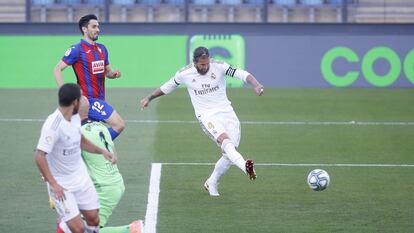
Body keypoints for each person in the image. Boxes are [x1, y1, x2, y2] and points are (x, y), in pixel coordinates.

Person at [140, 46, 264, 196]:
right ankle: (245, 167)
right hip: (207, 116)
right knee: (226, 142)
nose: (205, 67)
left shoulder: (219, 66)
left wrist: (256, 84)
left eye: (207, 64)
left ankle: (211, 182)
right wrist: (149, 98)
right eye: (201, 65)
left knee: (229, 152)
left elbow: (242, 74)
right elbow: (167, 86)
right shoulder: (184, 73)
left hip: (227, 112)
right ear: (194, 62)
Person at [35, 83, 117, 233]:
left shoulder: (74, 118)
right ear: (75, 102)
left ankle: (64, 226)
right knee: (78, 229)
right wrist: (53, 184)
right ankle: (62, 226)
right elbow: (39, 155)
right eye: (81, 97)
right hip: (62, 184)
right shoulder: (53, 125)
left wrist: (102, 151)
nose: (84, 100)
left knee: (94, 219)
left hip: (81, 178)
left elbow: (80, 141)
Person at [55, 96, 144, 233]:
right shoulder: (101, 127)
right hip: (113, 183)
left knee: (81, 230)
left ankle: (130, 230)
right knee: (68, 224)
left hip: (104, 188)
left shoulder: (78, 133)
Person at [53, 14, 125, 140]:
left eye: (98, 26)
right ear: (84, 29)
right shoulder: (76, 49)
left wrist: (113, 74)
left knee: (84, 135)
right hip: (87, 100)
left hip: (100, 100)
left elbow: (107, 72)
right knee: (118, 124)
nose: (98, 29)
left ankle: (83, 152)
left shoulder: (102, 49)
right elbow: (57, 69)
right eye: (94, 26)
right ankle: (98, 146)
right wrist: (64, 93)